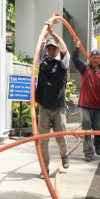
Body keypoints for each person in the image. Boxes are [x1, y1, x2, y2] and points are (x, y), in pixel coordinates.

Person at [35, 20, 70, 178]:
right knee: (43, 141)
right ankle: (44, 168)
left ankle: (64, 155)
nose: (51, 50)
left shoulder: (63, 62)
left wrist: (51, 32)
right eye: (48, 48)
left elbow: (63, 46)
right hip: (44, 107)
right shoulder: (42, 60)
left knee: (60, 137)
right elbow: (39, 47)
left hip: (58, 107)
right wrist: (44, 37)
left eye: (53, 48)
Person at [72, 40, 100, 161]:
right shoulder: (84, 68)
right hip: (85, 105)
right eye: (94, 57)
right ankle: (88, 153)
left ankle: (98, 144)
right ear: (91, 58)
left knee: (99, 129)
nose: (96, 60)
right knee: (87, 129)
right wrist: (76, 48)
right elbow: (75, 60)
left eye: (98, 58)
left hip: (98, 106)